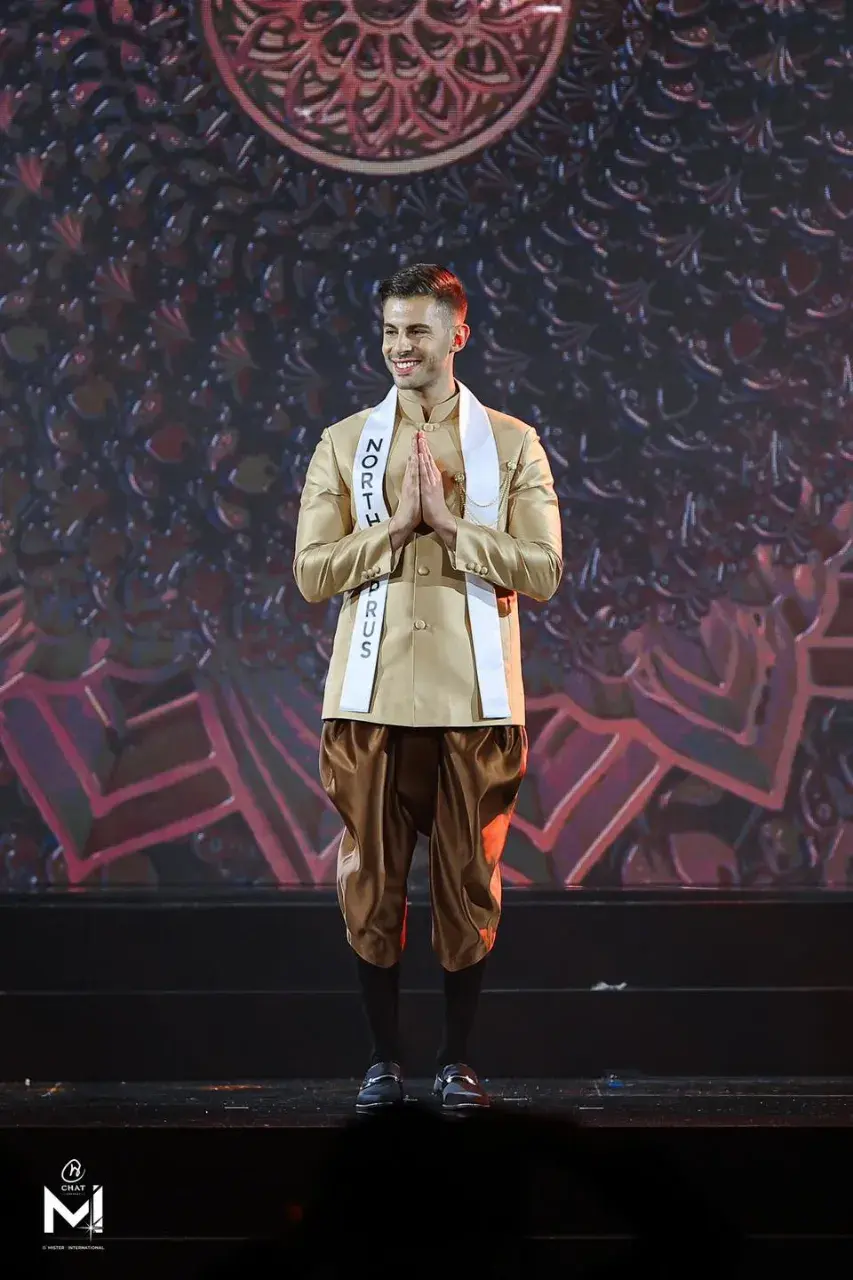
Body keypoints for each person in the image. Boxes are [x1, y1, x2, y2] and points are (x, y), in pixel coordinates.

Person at [293, 264, 562, 1112]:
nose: (399, 347)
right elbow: (310, 573)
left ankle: (457, 1060)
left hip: (472, 705)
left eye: (416, 330)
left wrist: (451, 526)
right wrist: (394, 529)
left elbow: (544, 570)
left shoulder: (511, 443)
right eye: (389, 332)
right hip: (367, 704)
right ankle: (381, 1060)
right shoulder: (344, 443)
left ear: (457, 334)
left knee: (466, 886)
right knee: (368, 882)